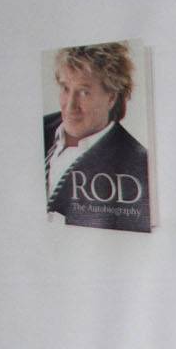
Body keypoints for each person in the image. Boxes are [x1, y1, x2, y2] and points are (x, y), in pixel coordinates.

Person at [44, 42, 151, 232]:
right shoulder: (42, 128)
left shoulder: (138, 165)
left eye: (84, 92)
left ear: (111, 97)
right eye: (65, 88)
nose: (70, 106)